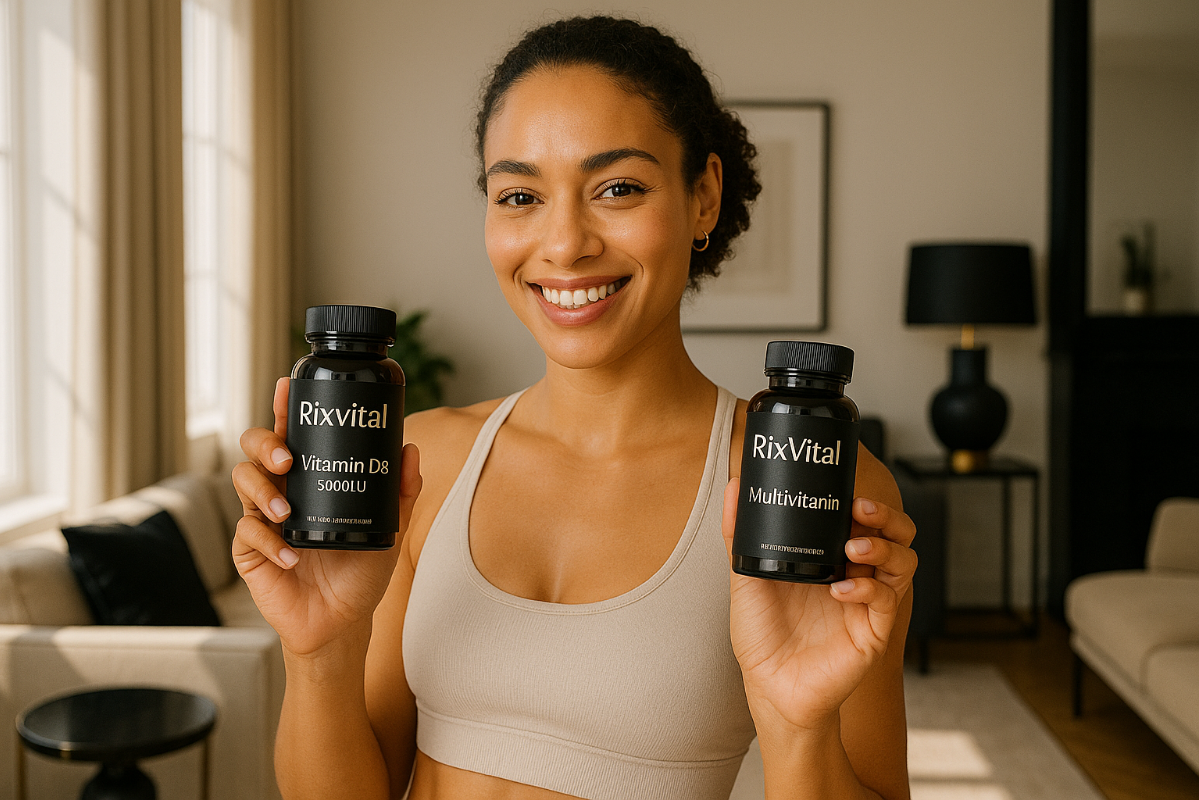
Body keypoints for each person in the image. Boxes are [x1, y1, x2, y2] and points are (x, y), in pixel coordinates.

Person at [233, 15, 915, 800]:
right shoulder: (424, 462)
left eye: (618, 188)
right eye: (520, 195)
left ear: (703, 197)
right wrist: (319, 651)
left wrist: (799, 729)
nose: (563, 244)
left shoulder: (803, 482)